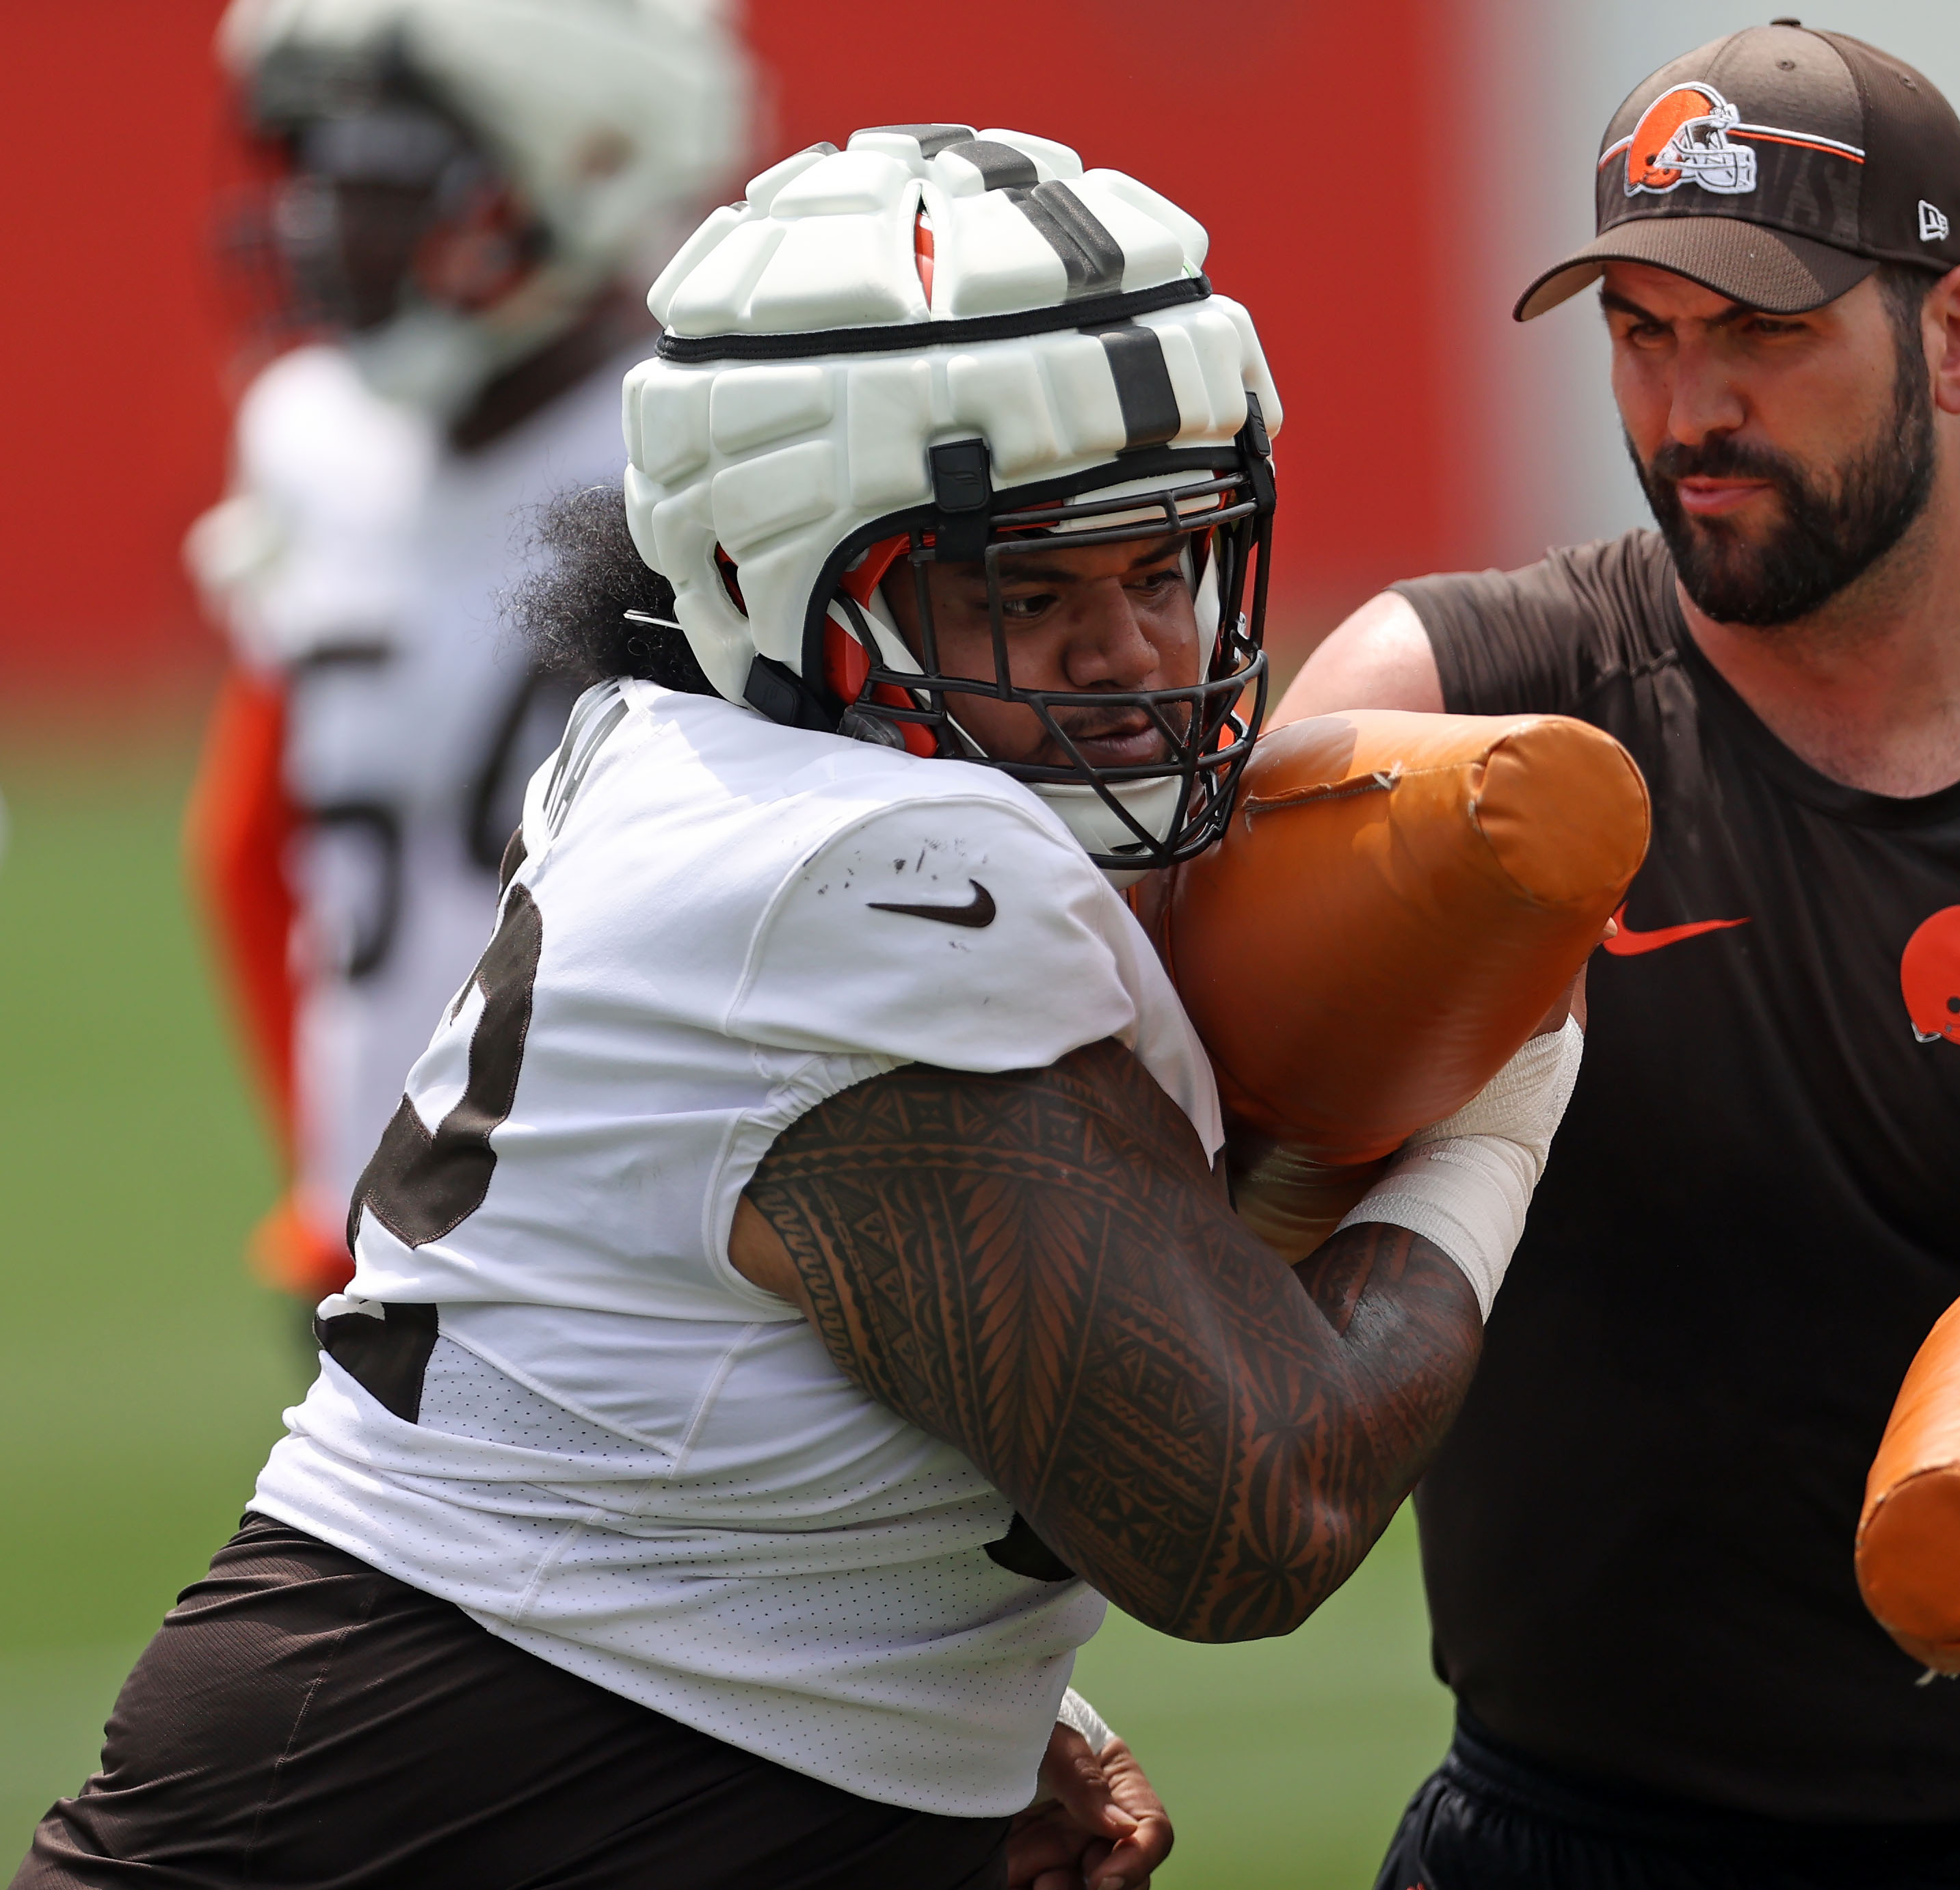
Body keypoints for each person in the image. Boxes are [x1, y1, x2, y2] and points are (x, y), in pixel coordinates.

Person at [23, 128, 1579, 1890]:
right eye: (1024, 591)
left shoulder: (693, 763)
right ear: (785, 586)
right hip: (416, 1804)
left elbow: (714, 1367)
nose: (1137, 657)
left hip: (542, 1755)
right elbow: (1254, 1515)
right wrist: (1496, 1102)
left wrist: (933, 1698)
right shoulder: (882, 871)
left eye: (1164, 568)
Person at [1284, 23, 1960, 1889]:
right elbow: (1167, 1202)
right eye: (1640, 332)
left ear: (1955, 337)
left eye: (1762, 330)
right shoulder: (1447, 713)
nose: (1684, 407)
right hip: (1576, 1834)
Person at [183, 0, 752, 1304]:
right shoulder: (307, 437)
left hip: (640, 1230)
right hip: (376, 1231)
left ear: (579, 163)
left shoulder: (695, 446)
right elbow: (253, 839)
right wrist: (327, 1178)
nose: (326, 226)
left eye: (382, 175)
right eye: (312, 173)